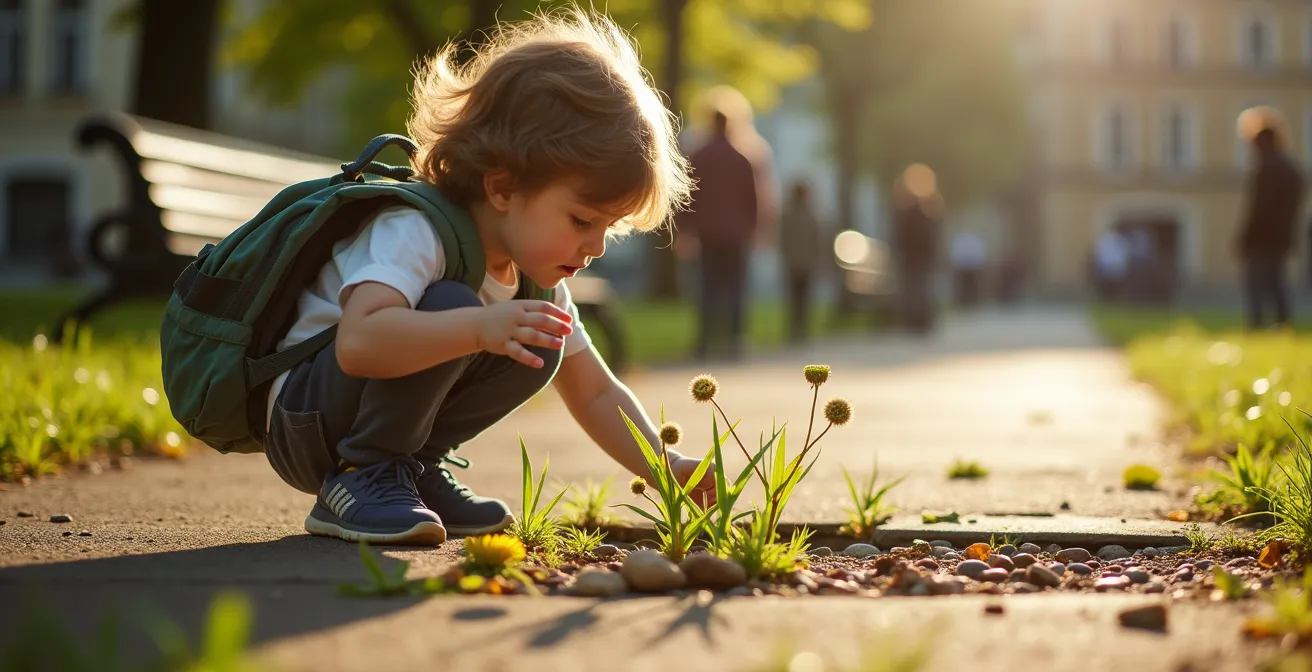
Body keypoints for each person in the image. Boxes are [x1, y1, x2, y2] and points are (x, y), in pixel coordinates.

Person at [256, 10, 712, 545]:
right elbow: (359, 343)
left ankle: (412, 468)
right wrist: (478, 327)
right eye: (582, 220)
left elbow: (593, 393)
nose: (595, 246)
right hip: (306, 419)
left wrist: (666, 465)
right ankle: (363, 475)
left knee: (546, 338)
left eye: (608, 228)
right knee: (454, 306)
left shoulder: (533, 278)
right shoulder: (417, 231)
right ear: (502, 188)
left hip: (356, 414)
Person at [678, 102, 761, 361]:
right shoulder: (741, 159)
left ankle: (705, 341)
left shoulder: (698, 156)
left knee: (707, 287)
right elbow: (752, 200)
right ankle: (735, 339)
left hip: (708, 232)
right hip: (736, 233)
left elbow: (688, 197)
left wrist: (685, 231)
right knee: (736, 286)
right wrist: (752, 228)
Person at [1234, 107, 1304, 330]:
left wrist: (1245, 238)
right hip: (1282, 236)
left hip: (1262, 238)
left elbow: (1258, 208)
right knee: (1277, 283)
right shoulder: (1290, 168)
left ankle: (1258, 326)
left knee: (1256, 283)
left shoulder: (1265, 168)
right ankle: (1283, 325)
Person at [890, 164, 943, 334]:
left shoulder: (913, 211)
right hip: (918, 256)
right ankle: (919, 320)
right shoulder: (929, 210)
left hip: (914, 256)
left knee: (915, 288)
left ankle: (916, 320)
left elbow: (901, 235)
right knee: (918, 288)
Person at [779, 180, 821, 343]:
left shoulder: (788, 216)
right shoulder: (810, 216)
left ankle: (797, 329)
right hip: (803, 263)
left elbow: (784, 240)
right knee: (801, 298)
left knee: (796, 298)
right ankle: (800, 329)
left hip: (795, 263)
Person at [948, 230, 986, 308]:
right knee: (963, 286)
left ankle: (972, 302)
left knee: (971, 286)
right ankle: (963, 301)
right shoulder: (962, 241)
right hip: (963, 269)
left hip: (972, 269)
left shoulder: (975, 241)